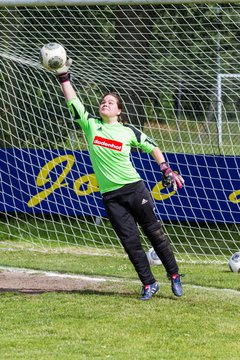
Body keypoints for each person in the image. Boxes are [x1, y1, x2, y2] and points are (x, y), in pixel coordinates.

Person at [49, 57, 184, 300]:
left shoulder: (128, 131)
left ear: (119, 110)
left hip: (135, 190)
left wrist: (166, 169)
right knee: (130, 242)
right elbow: (73, 101)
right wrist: (63, 76)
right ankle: (149, 283)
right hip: (111, 196)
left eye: (110, 102)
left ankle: (174, 274)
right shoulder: (91, 126)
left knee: (155, 233)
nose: (105, 104)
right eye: (103, 102)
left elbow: (153, 147)